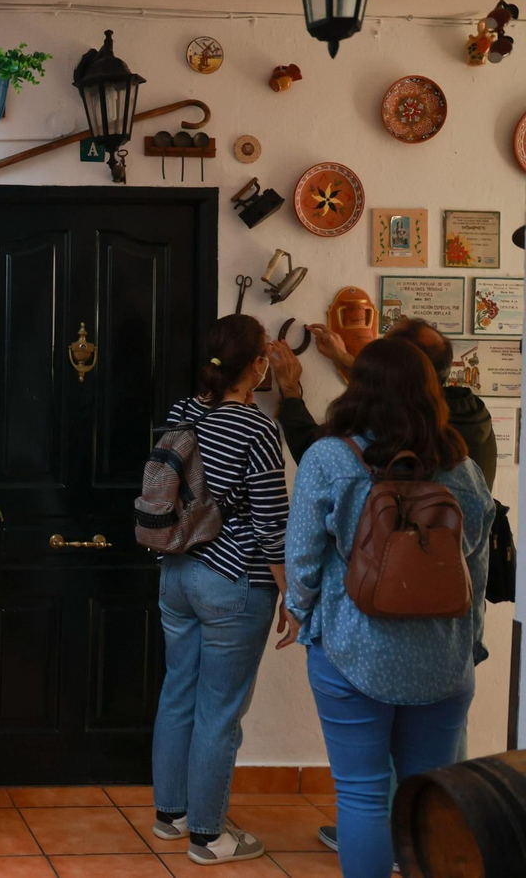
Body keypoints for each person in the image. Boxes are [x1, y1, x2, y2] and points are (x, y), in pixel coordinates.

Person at [285, 338, 492, 878]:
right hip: (443, 658)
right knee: (431, 797)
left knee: (362, 796)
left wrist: (300, 613)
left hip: (353, 650)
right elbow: (476, 561)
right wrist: (471, 642)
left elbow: (303, 555)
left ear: (357, 389)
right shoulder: (459, 465)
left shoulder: (330, 457)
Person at [152, 314, 297, 866]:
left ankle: (173, 816)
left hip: (177, 573)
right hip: (233, 580)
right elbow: (270, 523)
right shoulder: (256, 427)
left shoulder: (184, 412)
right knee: (219, 712)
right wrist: (292, 597)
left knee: (178, 693)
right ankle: (209, 838)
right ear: (258, 364)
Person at [270, 318, 496, 489]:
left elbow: (318, 457)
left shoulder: (395, 422)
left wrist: (290, 393)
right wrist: (347, 360)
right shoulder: (472, 413)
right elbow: (400, 384)